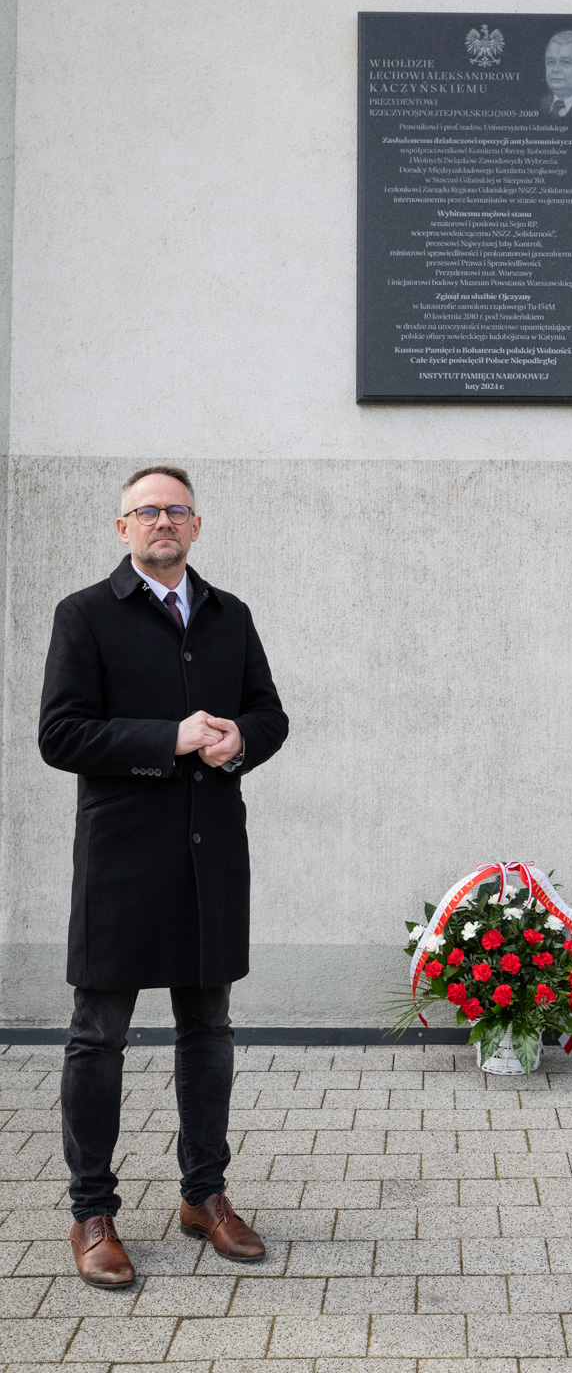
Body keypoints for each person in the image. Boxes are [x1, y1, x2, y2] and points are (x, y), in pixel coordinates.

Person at [38, 464, 288, 1286]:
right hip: (121, 860)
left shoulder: (229, 614)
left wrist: (238, 741)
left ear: (196, 525)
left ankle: (203, 1196)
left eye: (176, 510)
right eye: (146, 511)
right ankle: (92, 1211)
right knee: (98, 1035)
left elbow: (269, 713)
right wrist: (169, 738)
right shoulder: (84, 614)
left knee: (208, 1029)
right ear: (123, 529)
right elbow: (61, 735)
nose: (162, 522)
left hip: (209, 856)